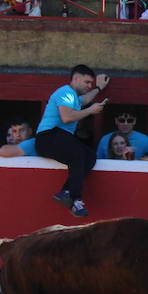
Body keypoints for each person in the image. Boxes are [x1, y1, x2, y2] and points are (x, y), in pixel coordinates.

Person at [36, 64, 110, 218]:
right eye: (87, 82)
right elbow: (67, 117)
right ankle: (75, 199)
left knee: (89, 157)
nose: (89, 86)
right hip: (49, 136)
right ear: (75, 78)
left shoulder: (73, 97)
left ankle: (67, 192)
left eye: (91, 83)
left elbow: (84, 100)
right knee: (78, 154)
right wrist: (91, 110)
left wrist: (99, 88)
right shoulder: (66, 92)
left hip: (59, 138)